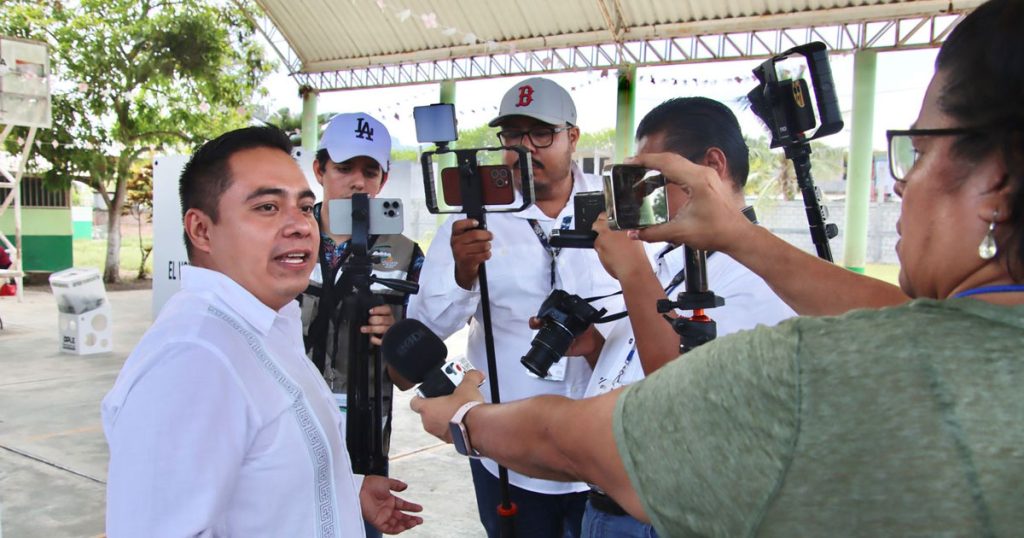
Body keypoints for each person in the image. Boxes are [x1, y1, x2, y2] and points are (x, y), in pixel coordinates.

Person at [411, 0, 1024, 535]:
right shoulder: (940, 340)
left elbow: (603, 437)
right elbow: (913, 323)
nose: (905, 180)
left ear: (995, 181)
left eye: (917, 151)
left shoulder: (805, 365)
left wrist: (462, 419)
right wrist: (735, 235)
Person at [102, 126, 423, 537]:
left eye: (305, 208)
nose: (300, 226)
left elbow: (265, 468)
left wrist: (347, 487)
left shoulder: (269, 322)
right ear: (202, 230)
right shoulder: (193, 360)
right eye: (268, 207)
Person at [408, 76, 621, 538]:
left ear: (572, 137)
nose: (524, 148)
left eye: (540, 134)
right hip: (507, 448)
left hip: (606, 446)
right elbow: (427, 324)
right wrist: (463, 274)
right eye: (512, 135)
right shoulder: (471, 217)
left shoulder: (614, 209)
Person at [573, 97, 796, 537]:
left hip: (664, 517)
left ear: (713, 165)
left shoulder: (764, 278)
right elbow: (636, 361)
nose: (641, 197)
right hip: (607, 504)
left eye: (653, 180)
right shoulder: (674, 259)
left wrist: (632, 268)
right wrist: (593, 347)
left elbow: (682, 393)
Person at [298, 112, 424, 538]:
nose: (358, 182)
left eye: (370, 171)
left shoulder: (406, 254)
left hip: (365, 440)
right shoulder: (286, 237)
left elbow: (405, 379)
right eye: (344, 168)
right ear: (319, 169)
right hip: (287, 424)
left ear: (384, 179)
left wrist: (396, 338)